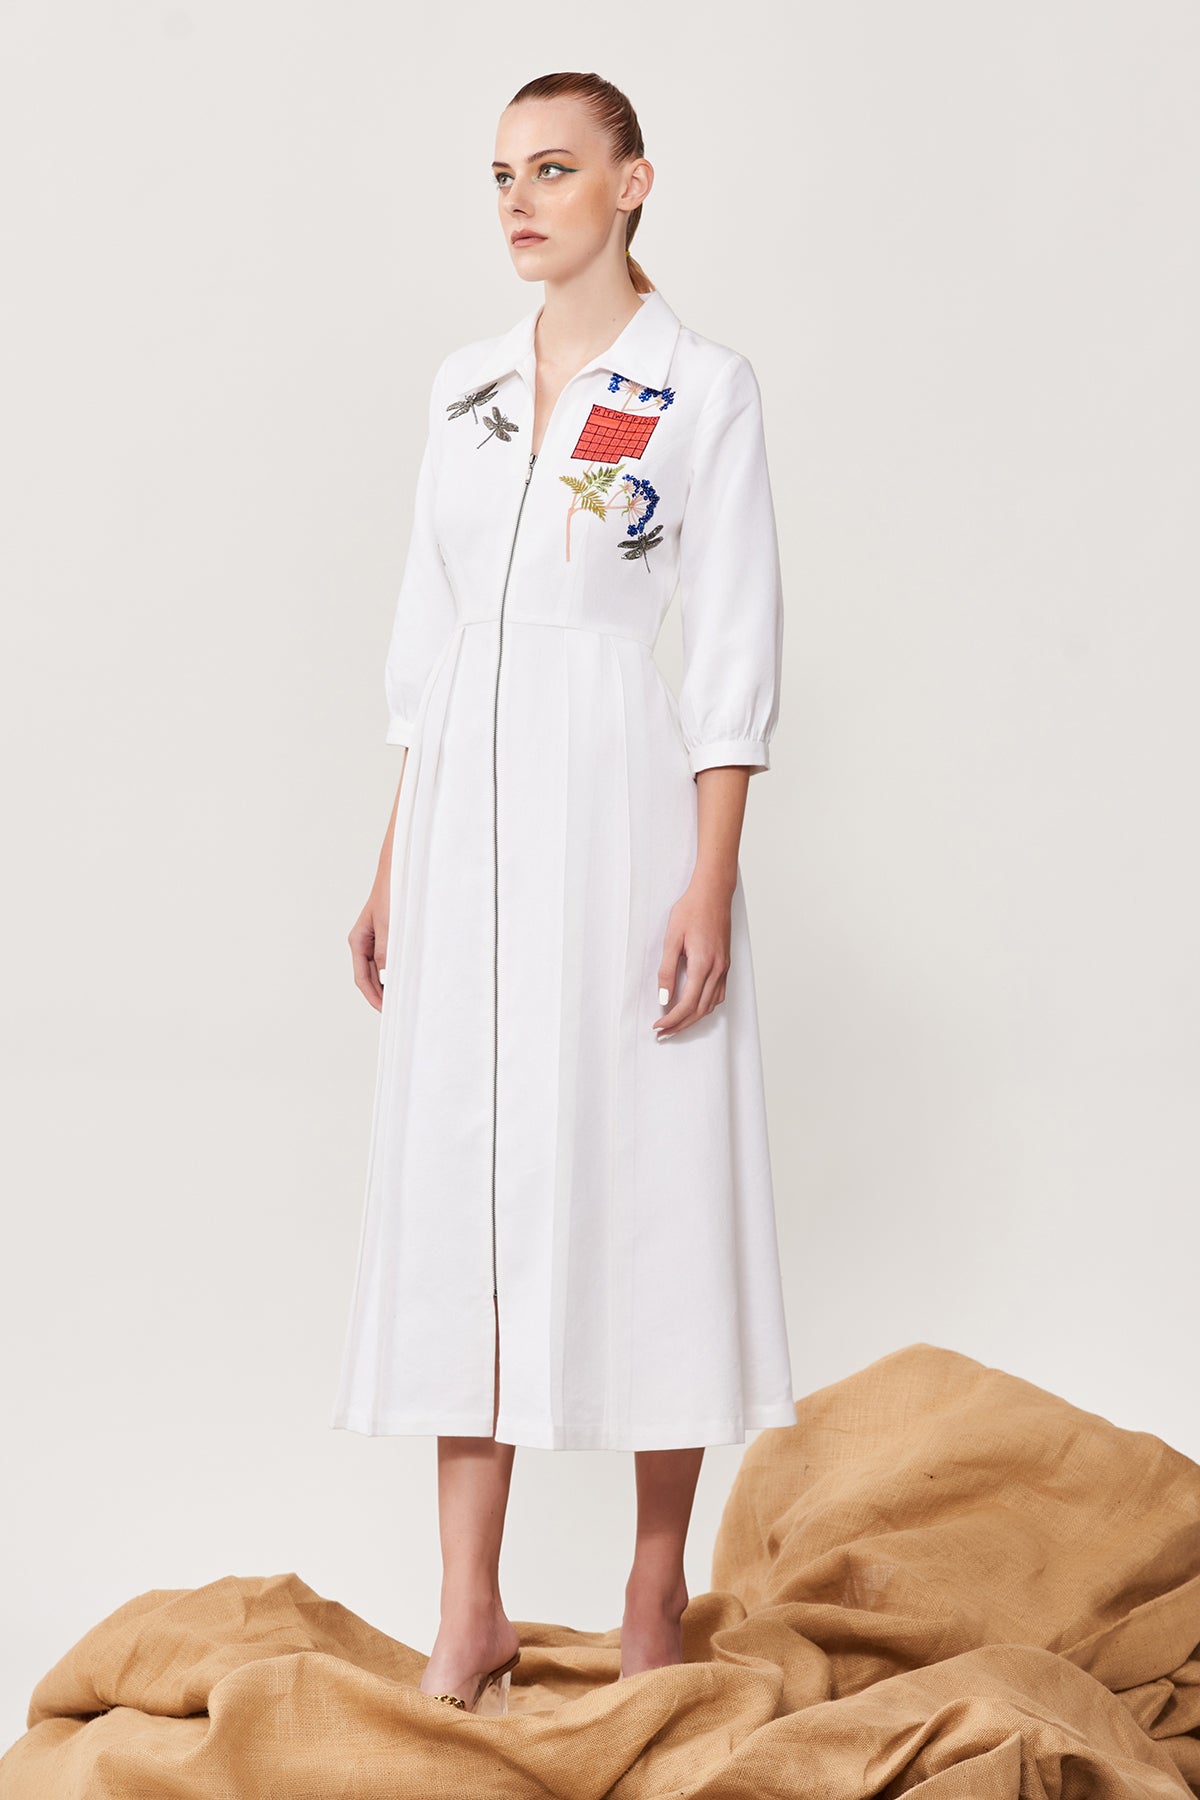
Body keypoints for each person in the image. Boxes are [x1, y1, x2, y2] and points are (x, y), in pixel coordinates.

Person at [332, 70, 796, 1715]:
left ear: (632, 184)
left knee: (650, 1166)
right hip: (462, 818)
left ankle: (655, 1585)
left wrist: (710, 879)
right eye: (501, 176)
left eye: (552, 170)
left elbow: (731, 647)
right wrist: (393, 857)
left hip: (622, 812)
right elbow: (427, 637)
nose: (520, 202)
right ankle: (468, 1610)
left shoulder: (700, 388)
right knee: (468, 1175)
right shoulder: (464, 388)